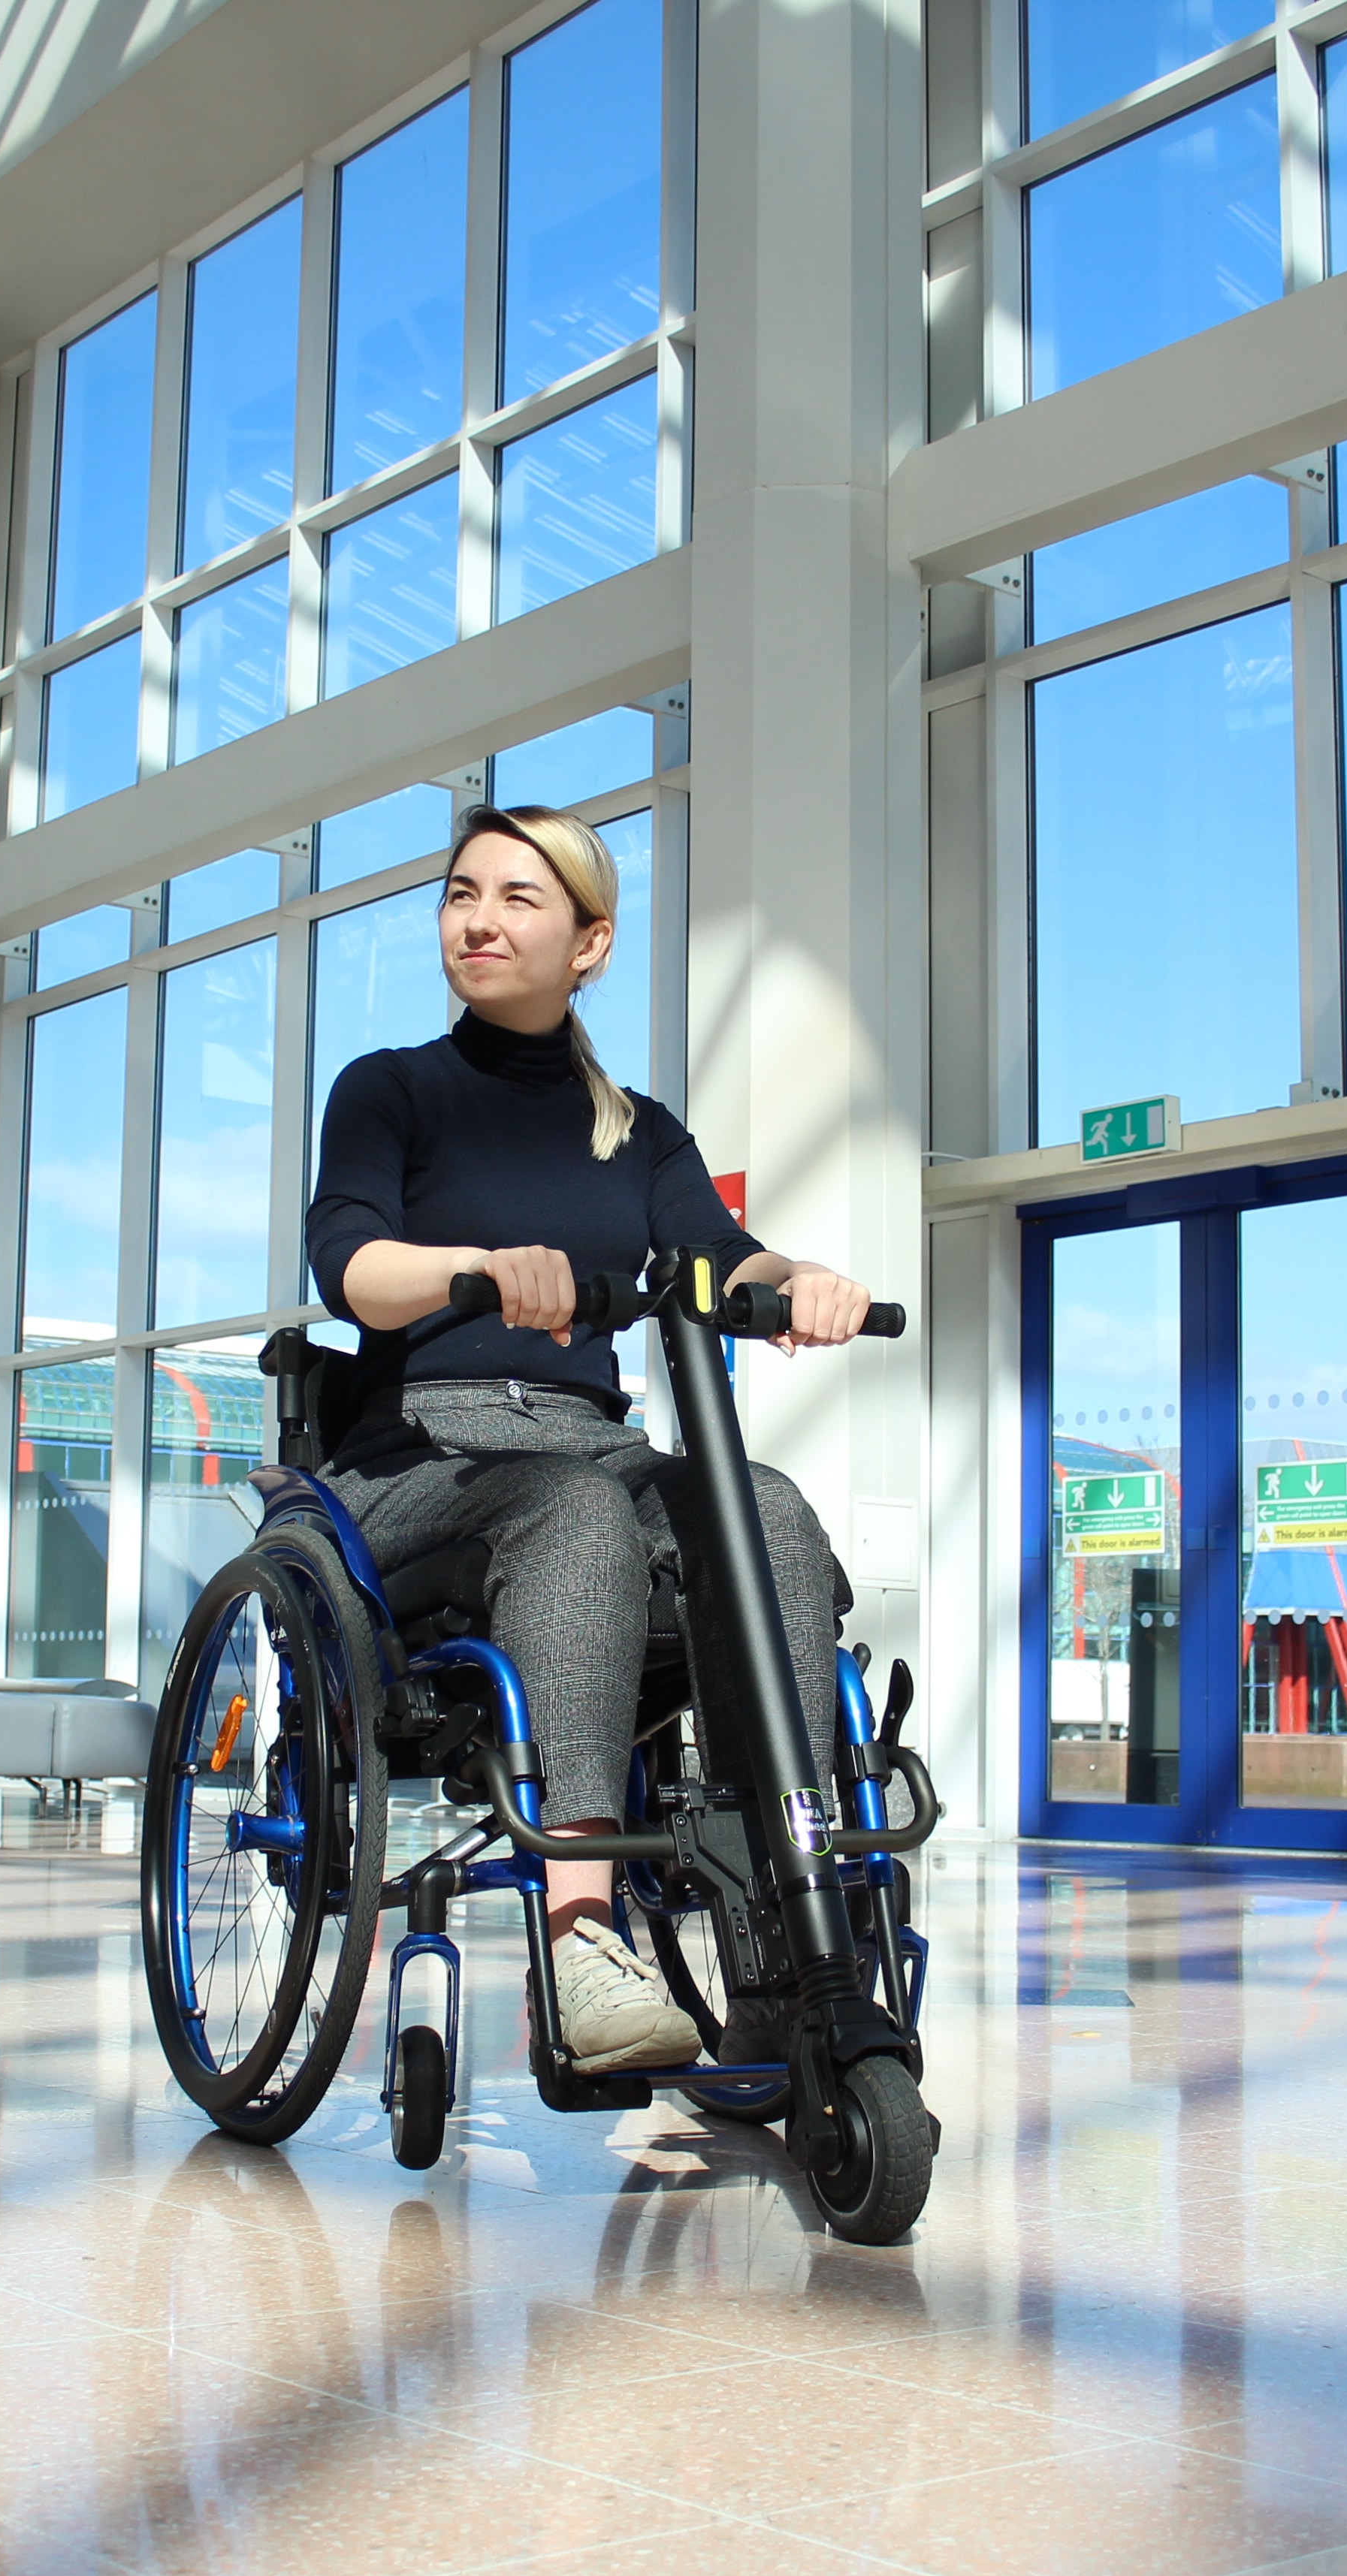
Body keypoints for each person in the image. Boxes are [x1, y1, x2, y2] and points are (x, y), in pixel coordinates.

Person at [305, 803, 875, 2073]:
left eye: (519, 898)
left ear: (590, 944)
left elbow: (724, 1260)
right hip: (420, 1455)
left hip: (586, 1446)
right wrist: (477, 1270)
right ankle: (579, 1936)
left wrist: (802, 1280)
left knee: (761, 1509)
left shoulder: (639, 1130)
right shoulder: (390, 1091)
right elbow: (353, 1266)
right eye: (464, 893)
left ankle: (788, 1931)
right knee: (571, 1518)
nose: (480, 919)